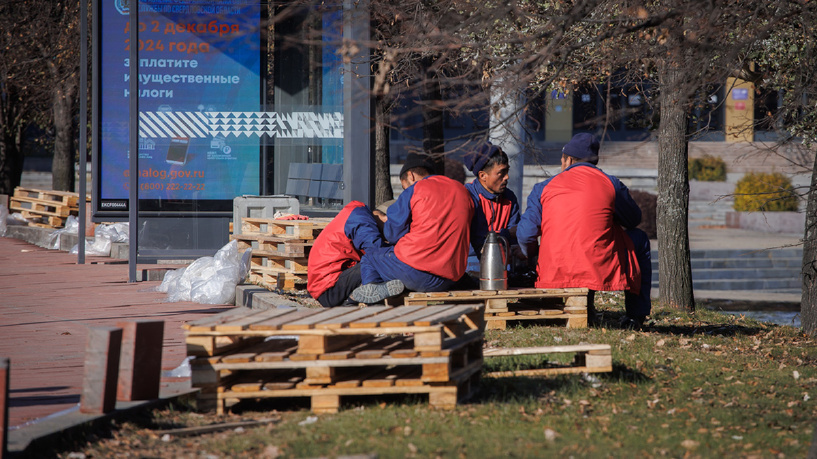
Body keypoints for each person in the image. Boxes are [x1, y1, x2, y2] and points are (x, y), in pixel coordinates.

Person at [516, 133, 652, 329]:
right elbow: (634, 220)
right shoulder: (610, 183)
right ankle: (635, 316)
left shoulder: (543, 187)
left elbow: (526, 233)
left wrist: (530, 255)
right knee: (639, 239)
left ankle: (584, 308)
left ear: (568, 160)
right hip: (597, 264)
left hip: (554, 266)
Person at [352, 153, 475, 303]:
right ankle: (390, 288)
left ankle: (375, 294)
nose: (405, 189)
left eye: (404, 186)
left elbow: (392, 234)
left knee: (370, 259)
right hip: (451, 277)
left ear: (410, 176)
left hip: (415, 273)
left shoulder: (416, 189)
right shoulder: (462, 190)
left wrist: (382, 219)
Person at [307, 201, 387, 307]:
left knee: (376, 262)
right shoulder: (360, 219)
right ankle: (372, 306)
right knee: (377, 262)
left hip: (325, 285)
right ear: (387, 218)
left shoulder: (356, 214)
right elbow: (376, 250)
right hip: (328, 288)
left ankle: (351, 300)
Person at [462, 141, 520, 265]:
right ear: (483, 175)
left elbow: (516, 235)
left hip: (504, 264)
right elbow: (475, 241)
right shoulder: (467, 197)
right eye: (501, 173)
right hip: (472, 264)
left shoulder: (509, 198)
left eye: (507, 171)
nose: (507, 177)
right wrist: (506, 234)